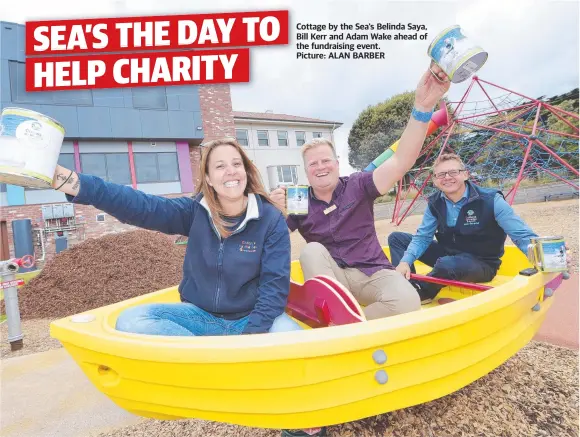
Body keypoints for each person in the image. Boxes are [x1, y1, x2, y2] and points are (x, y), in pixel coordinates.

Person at [49, 138, 302, 336]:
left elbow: (274, 288)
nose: (230, 172)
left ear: (246, 171)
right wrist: (74, 182)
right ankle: (206, 360)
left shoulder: (270, 219)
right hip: (199, 317)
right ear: (208, 179)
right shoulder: (194, 212)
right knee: (131, 320)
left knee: (293, 337)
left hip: (251, 317)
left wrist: (250, 337)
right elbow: (140, 206)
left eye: (237, 164)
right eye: (220, 166)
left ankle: (214, 359)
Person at [270, 63, 451, 321]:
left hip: (372, 273)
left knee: (408, 300)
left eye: (325, 160)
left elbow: (401, 161)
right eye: (313, 163)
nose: (320, 167)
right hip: (331, 277)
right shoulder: (299, 197)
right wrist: (272, 209)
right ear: (306, 170)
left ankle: (345, 323)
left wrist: (423, 107)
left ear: (336, 163)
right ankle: (334, 312)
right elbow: (272, 237)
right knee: (311, 251)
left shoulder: (357, 184)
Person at [388, 152, 546, 303]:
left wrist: (546, 256)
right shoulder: (435, 203)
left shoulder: (491, 201)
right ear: (435, 181)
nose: (447, 177)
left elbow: (521, 235)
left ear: (465, 174)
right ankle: (408, 287)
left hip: (481, 263)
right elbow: (423, 237)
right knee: (396, 238)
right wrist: (405, 262)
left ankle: (424, 292)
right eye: (441, 174)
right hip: (448, 255)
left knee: (446, 264)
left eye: (453, 172)